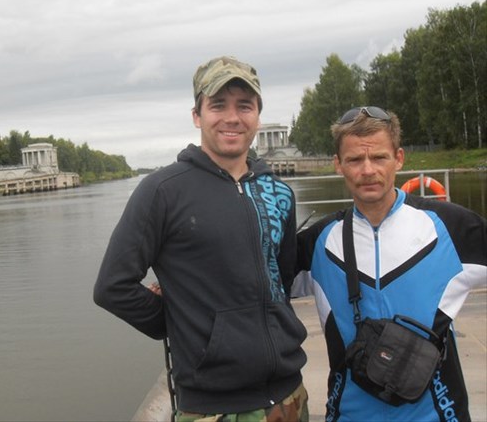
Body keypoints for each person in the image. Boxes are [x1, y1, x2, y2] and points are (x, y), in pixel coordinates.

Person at [94, 56, 309, 422]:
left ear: (257, 114)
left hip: (290, 398)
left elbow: (281, 280)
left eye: (244, 105)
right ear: (197, 115)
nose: (231, 117)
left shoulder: (279, 193)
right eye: (217, 105)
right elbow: (112, 287)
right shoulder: (162, 192)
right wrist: (181, 323)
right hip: (213, 409)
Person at [296, 106, 487, 422]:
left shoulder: (450, 227)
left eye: (379, 157)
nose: (368, 170)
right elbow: (248, 282)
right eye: (355, 160)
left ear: (399, 158)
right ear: (338, 165)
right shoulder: (319, 241)